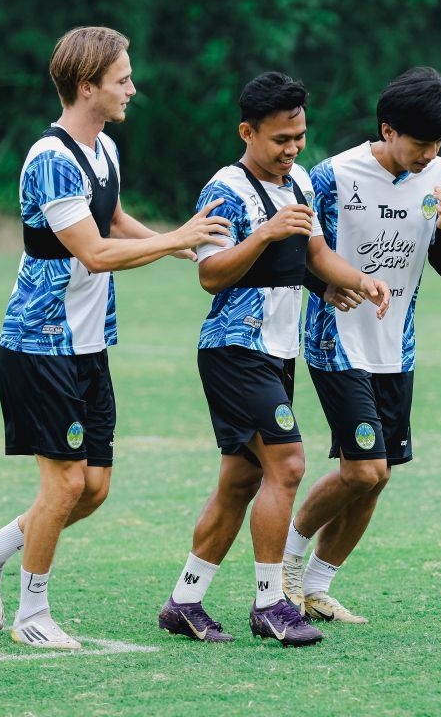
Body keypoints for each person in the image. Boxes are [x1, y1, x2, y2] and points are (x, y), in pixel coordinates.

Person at [0, 26, 231, 650]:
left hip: (86, 344)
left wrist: (182, 247)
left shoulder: (102, 149)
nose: (133, 88)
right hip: (40, 342)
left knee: (95, 487)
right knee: (64, 485)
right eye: (122, 79)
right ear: (88, 87)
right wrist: (176, 237)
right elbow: (94, 251)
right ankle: (33, 615)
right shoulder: (51, 159)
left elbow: (110, 219)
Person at [158, 72, 391, 647]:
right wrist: (262, 234)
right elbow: (210, 275)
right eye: (280, 139)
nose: (291, 150)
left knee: (240, 480)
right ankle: (271, 604)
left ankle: (183, 601)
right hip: (236, 350)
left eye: (299, 137)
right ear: (247, 132)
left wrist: (356, 279)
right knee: (287, 465)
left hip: (277, 351)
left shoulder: (301, 183)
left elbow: (313, 252)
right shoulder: (224, 190)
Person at [282, 67, 441, 624]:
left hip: (396, 345)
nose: (429, 153)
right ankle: (284, 569)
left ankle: (316, 586)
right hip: (336, 340)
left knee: (377, 475)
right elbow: (299, 254)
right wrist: (326, 285)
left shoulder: (440, 175)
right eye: (420, 141)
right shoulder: (332, 177)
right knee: (365, 470)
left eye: (437, 144)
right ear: (388, 130)